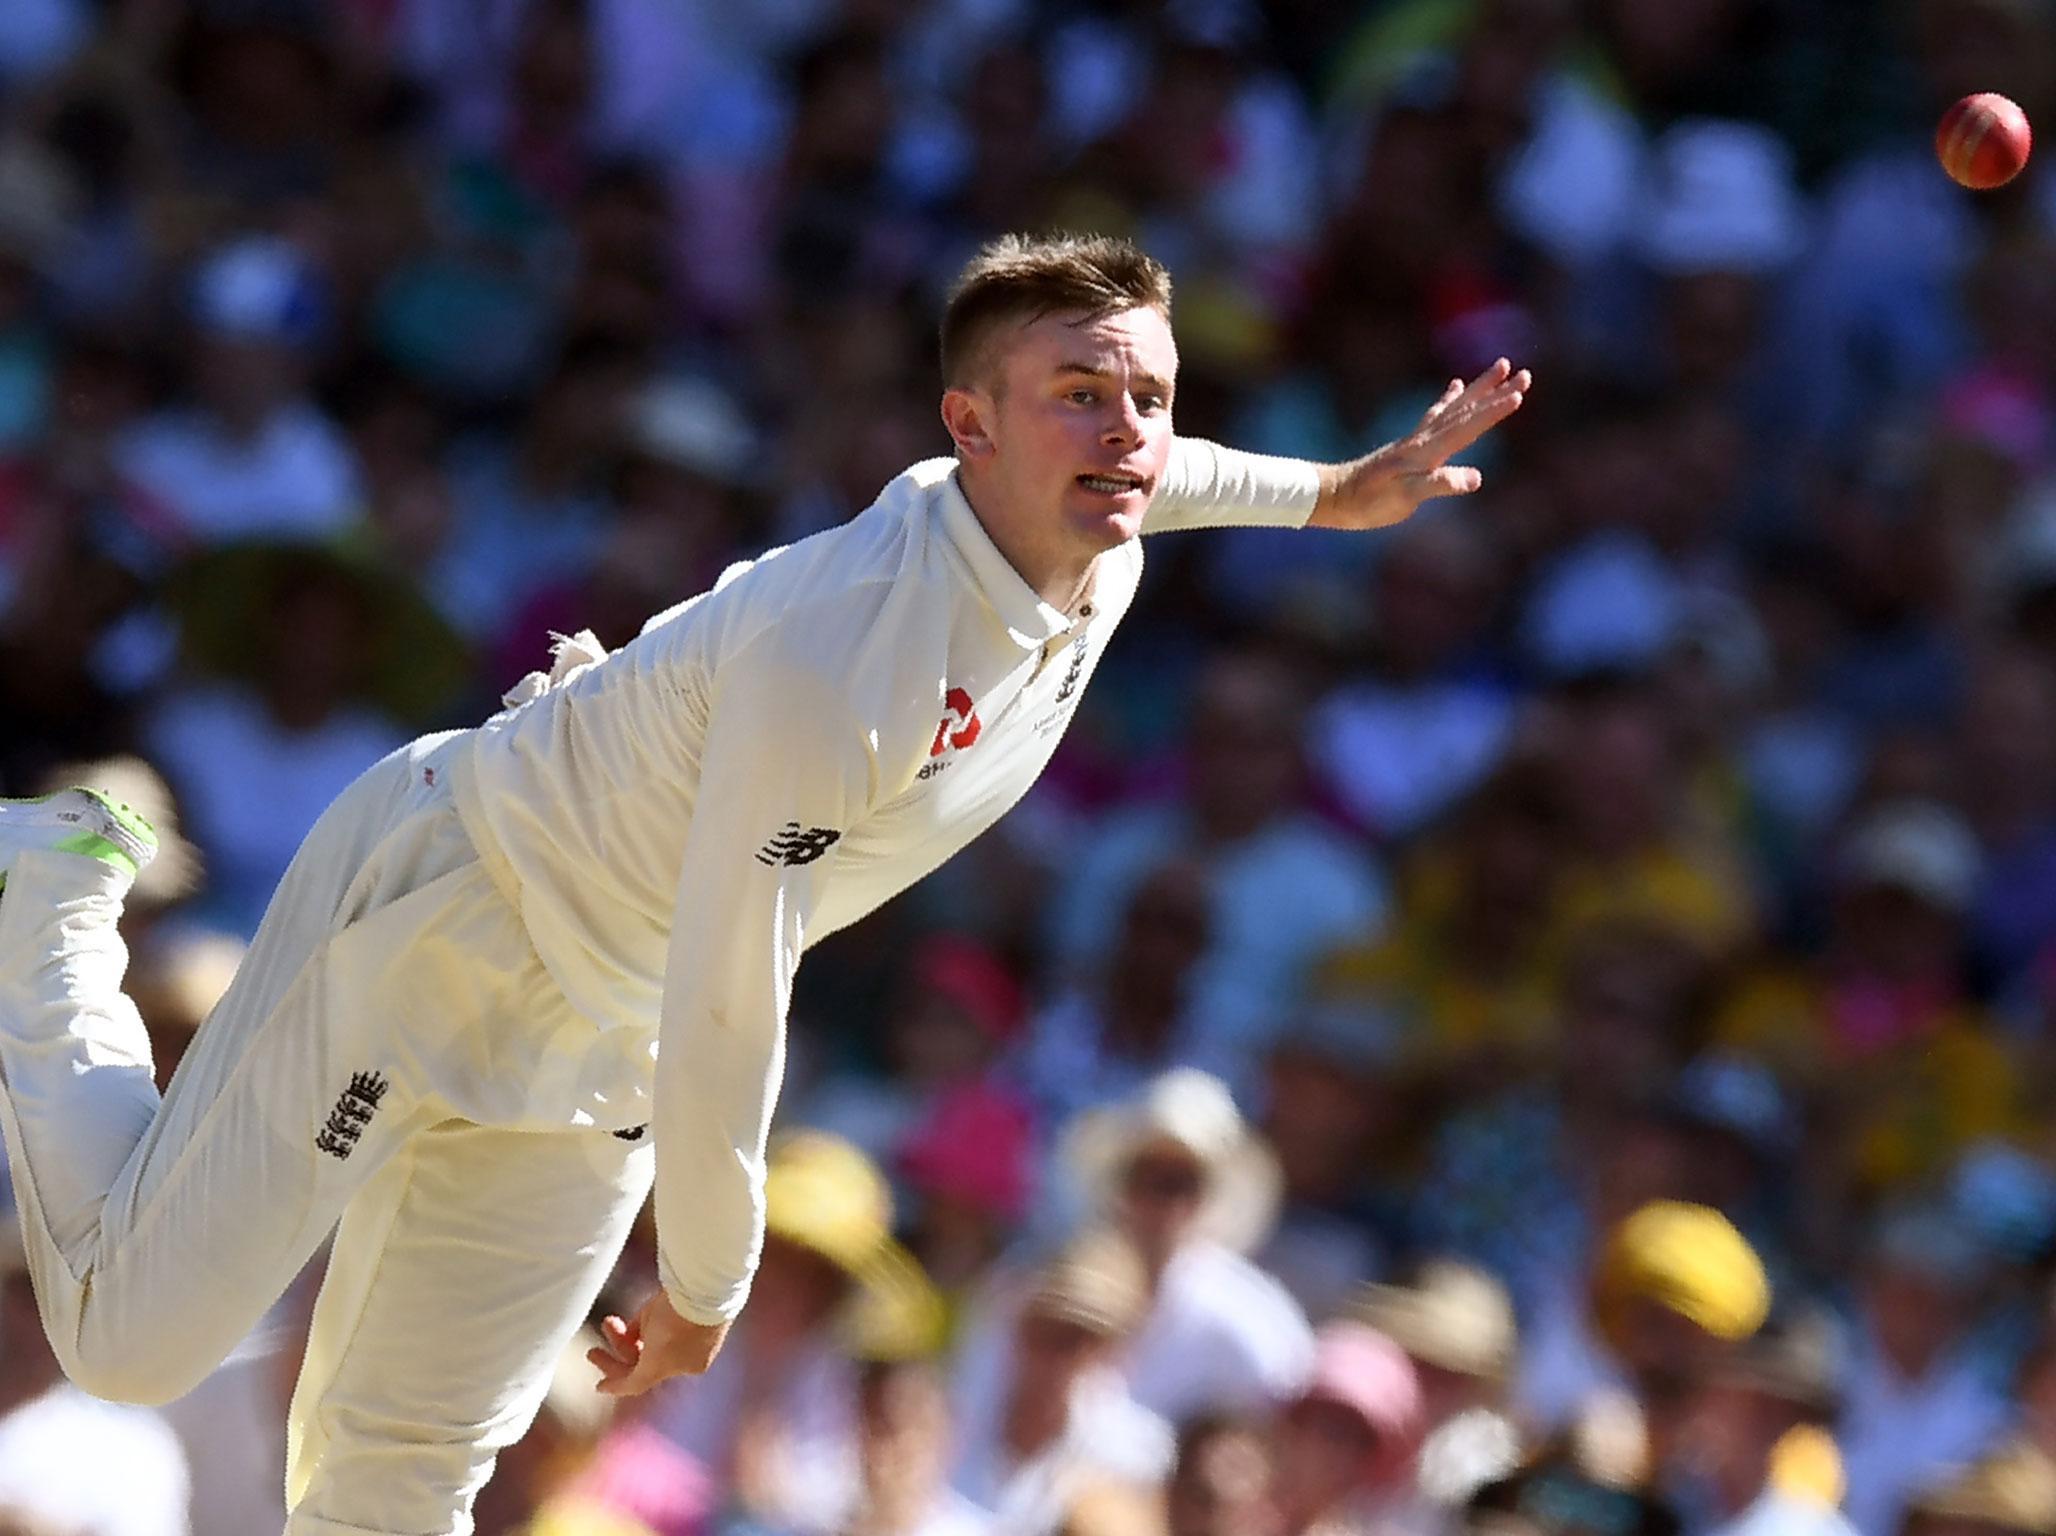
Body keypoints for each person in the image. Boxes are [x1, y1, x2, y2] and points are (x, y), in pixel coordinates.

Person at [0, 231, 1528, 1534]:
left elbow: (1172, 474)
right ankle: (53, 895)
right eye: (1080, 396)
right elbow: (731, 989)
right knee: (136, 1346)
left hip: (601, 1035)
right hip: (458, 913)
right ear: (966, 428)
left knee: (401, 1481)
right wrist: (712, 1282)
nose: (1128, 432)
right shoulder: (848, 656)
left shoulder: (1097, 534)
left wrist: (1334, 492)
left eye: (1147, 394)